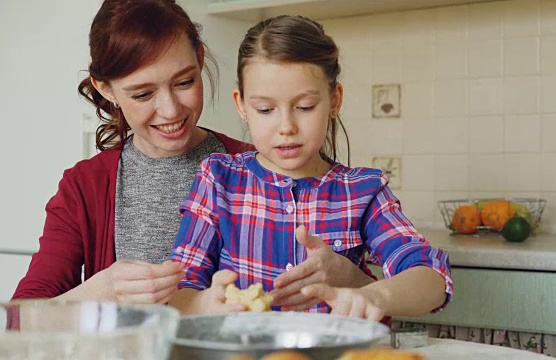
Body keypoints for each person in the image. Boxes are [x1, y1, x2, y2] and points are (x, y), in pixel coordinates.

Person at [12, 0, 372, 305]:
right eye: (142, 94)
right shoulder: (85, 186)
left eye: (184, 82)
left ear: (200, 59)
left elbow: (365, 292)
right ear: (105, 89)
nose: (170, 110)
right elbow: (21, 318)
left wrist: (351, 279)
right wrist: (96, 292)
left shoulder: (265, 164)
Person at [169, 15, 453, 320]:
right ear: (241, 105)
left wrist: (372, 295)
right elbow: (181, 286)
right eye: (265, 109)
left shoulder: (363, 190)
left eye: (305, 107)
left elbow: (431, 278)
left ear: (334, 100)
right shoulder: (218, 179)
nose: (286, 127)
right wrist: (201, 305)